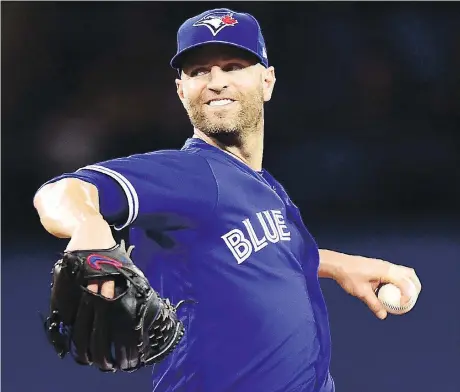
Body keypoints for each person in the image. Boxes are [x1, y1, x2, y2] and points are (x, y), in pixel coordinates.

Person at [33, 7, 422, 392]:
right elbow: (60, 193)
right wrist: (88, 226)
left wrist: (339, 265)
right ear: (180, 90)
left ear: (267, 82)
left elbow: (259, 251)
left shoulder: (265, 186)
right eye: (199, 71)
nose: (215, 81)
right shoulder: (191, 175)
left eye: (234, 66)